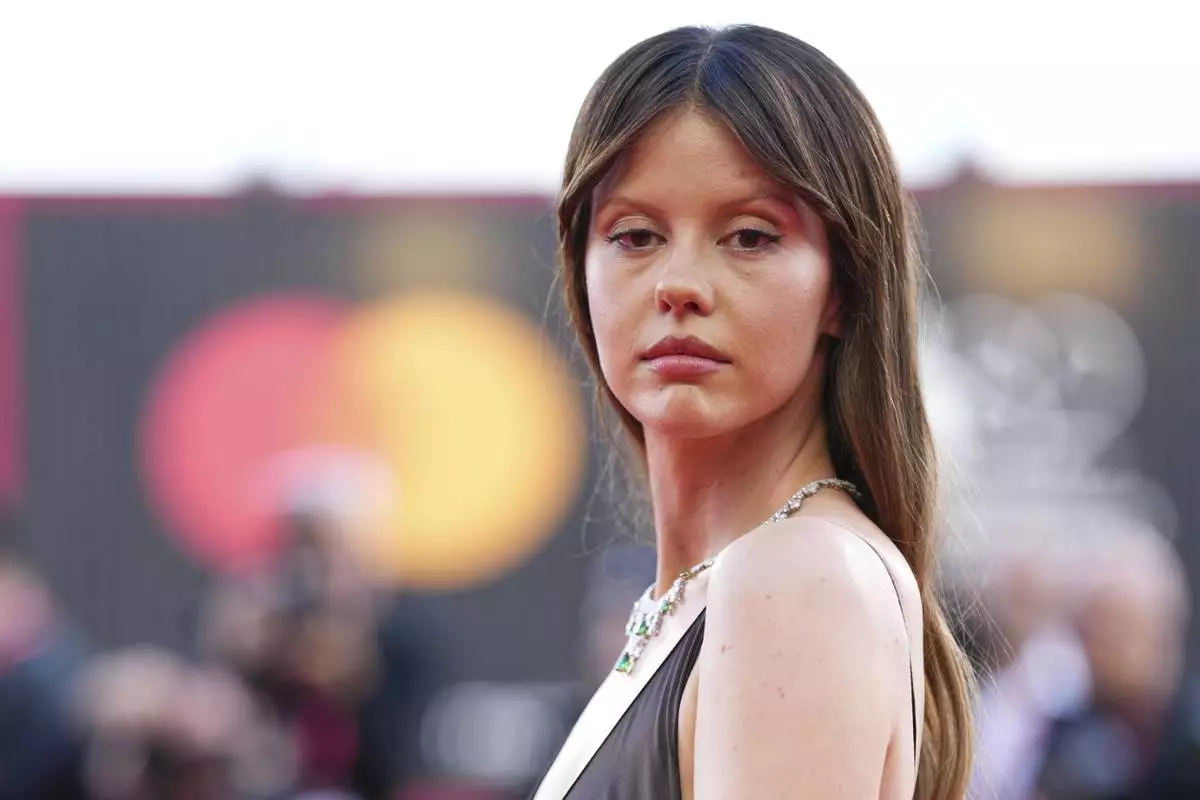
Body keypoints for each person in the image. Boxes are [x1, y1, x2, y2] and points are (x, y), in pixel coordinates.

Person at [531, 24, 975, 800]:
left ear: (843, 286)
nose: (680, 284)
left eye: (748, 236)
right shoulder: (712, 591)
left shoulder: (796, 578)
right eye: (635, 235)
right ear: (581, 269)